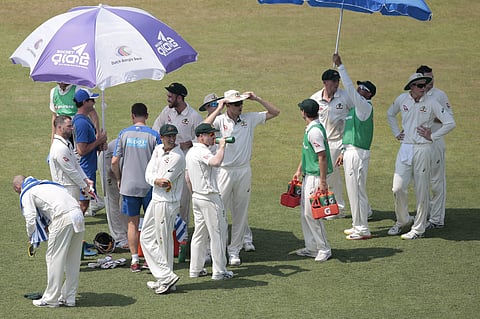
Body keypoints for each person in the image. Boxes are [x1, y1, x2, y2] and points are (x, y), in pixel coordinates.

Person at [204, 90, 280, 265]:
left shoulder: (249, 118)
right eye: (236, 104)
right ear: (228, 105)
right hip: (223, 171)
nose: (240, 107)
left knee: (240, 212)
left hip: (243, 170)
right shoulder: (220, 120)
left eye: (241, 103)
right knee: (218, 211)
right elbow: (202, 127)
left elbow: (275, 112)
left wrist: (258, 98)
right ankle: (213, 248)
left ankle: (234, 251)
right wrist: (219, 108)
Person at [386, 73, 455, 239]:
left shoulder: (431, 102)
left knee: (422, 189)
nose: (424, 89)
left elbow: (450, 122)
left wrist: (432, 136)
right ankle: (403, 220)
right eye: (421, 86)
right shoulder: (402, 99)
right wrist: (397, 133)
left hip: (424, 148)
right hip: (405, 148)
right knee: (398, 187)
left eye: (425, 85)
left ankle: (418, 229)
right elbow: (390, 114)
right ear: (412, 86)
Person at [13, 175, 85, 307]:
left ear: (18, 188)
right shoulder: (46, 184)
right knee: (72, 260)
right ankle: (69, 298)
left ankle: (51, 299)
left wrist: (30, 236)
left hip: (63, 217)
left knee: (53, 258)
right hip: (78, 214)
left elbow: (30, 217)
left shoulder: (27, 192)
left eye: (17, 192)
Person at [112, 103, 160, 272]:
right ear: (147, 116)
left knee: (132, 223)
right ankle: (148, 258)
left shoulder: (124, 134)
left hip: (129, 186)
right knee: (151, 223)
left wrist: (119, 179)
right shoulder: (154, 135)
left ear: (132, 116)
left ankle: (134, 260)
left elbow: (114, 161)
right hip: (149, 186)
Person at [333, 54, 376, 240]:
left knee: (357, 190)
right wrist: (343, 151)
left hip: (358, 153)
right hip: (351, 151)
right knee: (353, 190)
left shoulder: (364, 107)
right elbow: (348, 134)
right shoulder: (354, 110)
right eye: (359, 86)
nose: (359, 89)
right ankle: (357, 224)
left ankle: (362, 229)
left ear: (369, 94)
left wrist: (341, 66)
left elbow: (349, 90)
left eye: (363, 88)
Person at [152, 82, 203, 234]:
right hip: (166, 161)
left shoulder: (194, 116)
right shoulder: (167, 112)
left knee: (182, 202)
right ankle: (167, 234)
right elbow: (156, 129)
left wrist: (189, 143)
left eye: (170, 96)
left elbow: (203, 139)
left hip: (186, 164)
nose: (168, 99)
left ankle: (182, 239)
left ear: (180, 98)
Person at [186, 123, 234, 280]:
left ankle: (195, 269)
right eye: (210, 135)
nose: (214, 137)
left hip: (197, 196)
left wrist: (194, 192)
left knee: (200, 234)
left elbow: (188, 177)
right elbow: (215, 162)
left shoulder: (191, 152)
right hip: (209, 197)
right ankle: (219, 271)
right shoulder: (201, 151)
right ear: (201, 137)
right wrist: (222, 147)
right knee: (218, 234)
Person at [142, 124, 185, 294]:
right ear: (161, 137)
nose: (172, 139)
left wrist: (155, 180)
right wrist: (154, 180)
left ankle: (166, 279)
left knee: (163, 240)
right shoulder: (158, 149)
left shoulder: (178, 156)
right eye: (168, 136)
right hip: (156, 199)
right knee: (146, 237)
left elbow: (165, 182)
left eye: (174, 135)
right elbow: (149, 174)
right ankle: (165, 277)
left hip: (167, 202)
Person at [310, 69, 355, 219]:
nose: (336, 84)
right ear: (325, 82)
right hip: (323, 142)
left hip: (341, 141)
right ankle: (332, 207)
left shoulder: (345, 97)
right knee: (327, 175)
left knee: (345, 176)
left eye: (338, 81)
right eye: (333, 81)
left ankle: (347, 208)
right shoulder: (315, 99)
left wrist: (346, 146)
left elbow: (356, 115)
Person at [293, 99, 332, 262]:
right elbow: (308, 152)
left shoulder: (314, 131)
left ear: (304, 112)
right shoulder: (312, 128)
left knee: (312, 214)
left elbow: (321, 156)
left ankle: (324, 248)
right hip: (309, 175)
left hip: (315, 177)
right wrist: (299, 170)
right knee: (305, 214)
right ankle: (311, 247)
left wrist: (322, 182)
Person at [416, 65, 454, 229]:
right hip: (418, 145)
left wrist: (432, 116)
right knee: (420, 180)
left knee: (437, 181)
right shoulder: (414, 95)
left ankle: (437, 219)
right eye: (428, 79)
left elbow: (449, 118)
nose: (431, 82)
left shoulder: (439, 95)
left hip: (435, 142)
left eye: (433, 78)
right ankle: (424, 215)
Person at [72, 88, 108, 215]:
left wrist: (100, 144)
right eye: (92, 100)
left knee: (85, 201)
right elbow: (82, 150)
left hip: (87, 166)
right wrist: (100, 140)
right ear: (84, 102)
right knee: (84, 203)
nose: (94, 103)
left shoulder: (82, 120)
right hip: (85, 168)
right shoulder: (81, 123)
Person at [49, 115, 93, 200]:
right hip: (65, 188)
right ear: (59, 127)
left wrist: (85, 179)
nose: (72, 128)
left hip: (72, 186)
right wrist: (85, 186)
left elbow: (76, 164)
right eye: (69, 126)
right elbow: (71, 171)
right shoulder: (60, 148)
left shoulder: (67, 143)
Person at [98, 138, 129, 249]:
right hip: (110, 159)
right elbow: (113, 167)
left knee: (126, 200)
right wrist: (118, 178)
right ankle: (119, 237)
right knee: (113, 200)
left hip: (124, 162)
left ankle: (127, 233)